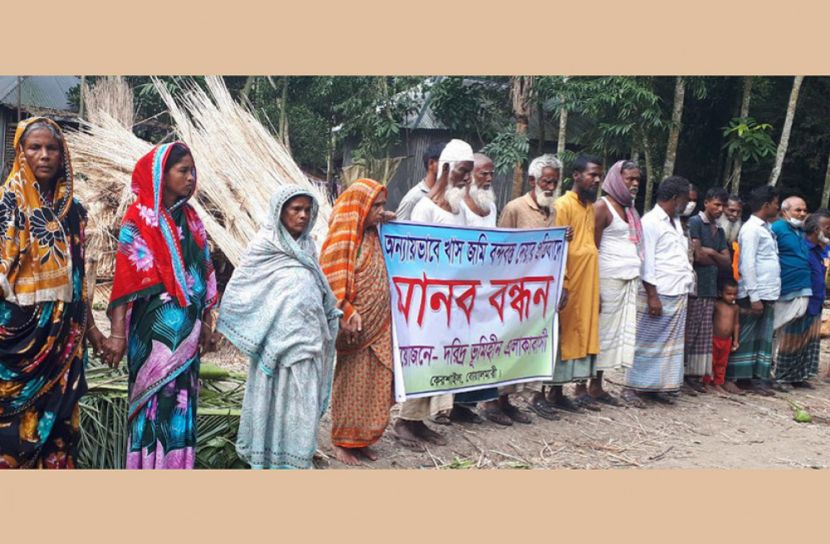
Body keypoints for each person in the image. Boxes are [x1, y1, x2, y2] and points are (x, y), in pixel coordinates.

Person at [101, 142, 220, 469]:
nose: (191, 178)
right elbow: (125, 282)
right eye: (183, 171)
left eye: (193, 171)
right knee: (154, 402)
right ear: (161, 175)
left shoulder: (193, 220)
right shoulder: (138, 219)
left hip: (189, 336)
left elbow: (205, 272)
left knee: (181, 402)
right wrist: (117, 335)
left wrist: (208, 323)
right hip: (151, 338)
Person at [0, 117, 102, 468]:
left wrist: (93, 331)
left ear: (63, 155)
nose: (44, 155)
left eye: (52, 148)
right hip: (15, 341)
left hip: (62, 340)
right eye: (35, 147)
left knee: (59, 432)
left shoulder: (74, 212)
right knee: (10, 438)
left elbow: (78, 279)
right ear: (21, 153)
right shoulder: (6, 205)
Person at [218, 187, 341, 469]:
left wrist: (330, 313)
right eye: (296, 209)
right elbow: (239, 293)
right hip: (274, 347)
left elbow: (320, 288)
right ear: (280, 211)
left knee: (303, 405)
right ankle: (271, 461)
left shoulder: (308, 248)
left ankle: (297, 461)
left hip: (308, 343)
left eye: (307, 210)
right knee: (273, 405)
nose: (303, 215)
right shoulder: (265, 246)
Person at [320, 179, 397, 465]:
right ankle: (342, 441)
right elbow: (330, 282)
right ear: (360, 208)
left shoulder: (376, 234)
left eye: (382, 205)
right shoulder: (343, 238)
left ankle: (363, 439)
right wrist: (347, 310)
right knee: (351, 383)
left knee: (377, 381)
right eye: (375, 206)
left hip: (380, 326)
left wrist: (387, 219)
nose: (380, 211)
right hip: (353, 328)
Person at [408, 139, 480, 426]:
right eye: (463, 170)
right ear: (446, 168)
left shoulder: (459, 210)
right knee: (425, 358)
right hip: (430, 298)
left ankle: (430, 417)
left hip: (455, 299)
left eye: (470, 172)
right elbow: (416, 256)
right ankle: (407, 421)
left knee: (445, 358)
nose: (468, 178)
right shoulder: (424, 208)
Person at [493, 154, 569, 422]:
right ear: (532, 181)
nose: (550, 187)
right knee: (506, 344)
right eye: (546, 182)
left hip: (539, 294)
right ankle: (496, 402)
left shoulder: (553, 211)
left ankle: (514, 400)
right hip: (513, 291)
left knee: (528, 347)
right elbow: (500, 248)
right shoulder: (515, 208)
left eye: (554, 182)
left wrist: (562, 281)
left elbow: (553, 253)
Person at [622, 176, 695, 407]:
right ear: (675, 198)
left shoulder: (676, 222)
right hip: (658, 291)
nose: (688, 204)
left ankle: (655, 386)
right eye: (685, 199)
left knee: (668, 346)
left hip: (677, 290)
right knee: (646, 342)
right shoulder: (651, 222)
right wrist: (652, 295)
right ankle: (632, 386)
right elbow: (646, 261)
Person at [452, 153, 506, 423]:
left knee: (484, 346)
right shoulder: (458, 205)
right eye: (483, 173)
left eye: (491, 173)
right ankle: (452, 405)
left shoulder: (491, 206)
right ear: (469, 175)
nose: (489, 178)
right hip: (462, 289)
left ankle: (468, 405)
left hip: (487, 290)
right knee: (460, 346)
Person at [548, 155, 603, 412]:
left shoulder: (590, 207)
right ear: (576, 176)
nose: (596, 180)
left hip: (587, 285)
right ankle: (549, 391)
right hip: (568, 284)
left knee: (580, 335)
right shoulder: (562, 205)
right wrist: (563, 284)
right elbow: (556, 249)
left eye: (599, 175)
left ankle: (561, 391)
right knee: (562, 335)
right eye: (592, 174)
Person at [592, 160, 642, 406]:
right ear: (615, 178)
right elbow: (592, 248)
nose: (634, 184)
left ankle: (597, 386)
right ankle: (582, 386)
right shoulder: (602, 207)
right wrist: (594, 288)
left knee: (612, 337)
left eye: (637, 179)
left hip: (627, 279)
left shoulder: (630, 210)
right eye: (629, 178)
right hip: (607, 279)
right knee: (599, 333)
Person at [725, 185, 780, 396]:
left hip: (768, 291)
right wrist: (754, 296)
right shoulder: (751, 229)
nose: (777, 207)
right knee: (746, 336)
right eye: (775, 203)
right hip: (754, 293)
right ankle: (733, 377)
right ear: (766, 205)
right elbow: (747, 264)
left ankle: (752, 378)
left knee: (761, 337)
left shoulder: (766, 228)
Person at [772, 208, 830, 388]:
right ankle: (783, 377)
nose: (829, 231)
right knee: (792, 339)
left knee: (808, 340)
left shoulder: (821, 250)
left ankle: (799, 376)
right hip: (801, 298)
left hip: (816, 301)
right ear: (816, 230)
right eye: (827, 228)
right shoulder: (803, 248)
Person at [684, 188, 731, 393]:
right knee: (690, 331)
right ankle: (681, 374)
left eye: (723, 206)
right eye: (717, 204)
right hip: (696, 286)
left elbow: (727, 262)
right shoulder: (695, 222)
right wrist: (714, 255)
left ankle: (693, 376)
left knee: (702, 335)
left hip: (710, 287)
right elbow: (698, 256)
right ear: (706, 203)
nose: (720, 209)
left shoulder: (719, 230)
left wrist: (710, 251)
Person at [769, 196, 813, 390]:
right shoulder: (777, 228)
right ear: (784, 211)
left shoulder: (801, 231)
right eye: (797, 210)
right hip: (784, 287)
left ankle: (781, 372)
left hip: (801, 286)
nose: (802, 214)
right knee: (774, 329)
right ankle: (770, 371)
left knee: (787, 330)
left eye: (804, 210)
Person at [396, 141, 448, 221]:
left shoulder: (450, 197)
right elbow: (399, 227)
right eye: (447, 164)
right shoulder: (412, 199)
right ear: (431, 163)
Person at [707, 279, 740, 394]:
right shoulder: (717, 305)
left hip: (727, 341)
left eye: (735, 294)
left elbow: (736, 324)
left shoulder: (735, 308)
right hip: (714, 338)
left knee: (722, 363)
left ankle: (718, 383)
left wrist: (735, 340)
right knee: (711, 361)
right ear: (721, 293)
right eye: (729, 294)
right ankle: (707, 382)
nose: (732, 297)